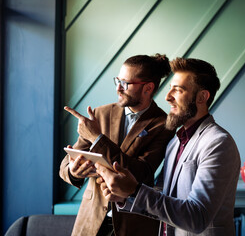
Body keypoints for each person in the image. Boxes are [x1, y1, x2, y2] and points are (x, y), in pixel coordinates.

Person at [95, 57, 241, 236]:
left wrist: (135, 190)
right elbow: (162, 200)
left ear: (202, 97)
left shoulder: (218, 143)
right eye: (170, 88)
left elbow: (197, 217)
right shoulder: (174, 143)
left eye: (178, 90)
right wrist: (126, 196)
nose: (167, 96)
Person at [59, 54, 175, 236]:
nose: (118, 88)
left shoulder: (163, 125)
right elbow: (67, 163)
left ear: (148, 88)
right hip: (90, 221)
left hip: (134, 224)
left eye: (125, 84)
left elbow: (141, 173)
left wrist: (97, 138)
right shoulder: (100, 113)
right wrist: (73, 172)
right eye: (117, 81)